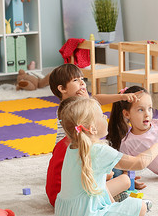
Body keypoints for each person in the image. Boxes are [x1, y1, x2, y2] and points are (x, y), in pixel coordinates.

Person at [55, 97, 158, 216]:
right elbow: (139, 163)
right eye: (102, 115)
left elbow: (98, 182)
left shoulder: (72, 148)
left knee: (118, 182)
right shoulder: (99, 150)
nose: (106, 117)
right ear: (92, 128)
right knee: (140, 206)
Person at [46, 63, 144, 208]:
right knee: (116, 171)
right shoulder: (68, 109)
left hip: (80, 157)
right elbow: (94, 100)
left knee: (117, 168)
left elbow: (96, 99)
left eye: (82, 79)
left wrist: (122, 96)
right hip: (75, 153)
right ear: (62, 89)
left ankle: (120, 181)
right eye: (75, 80)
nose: (82, 83)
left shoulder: (79, 105)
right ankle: (115, 187)